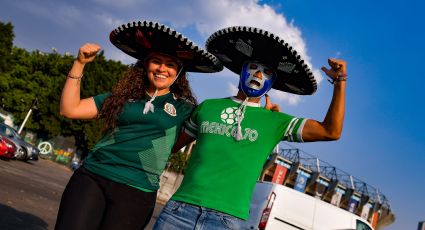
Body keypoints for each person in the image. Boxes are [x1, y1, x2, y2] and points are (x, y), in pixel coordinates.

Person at [153, 26, 347, 229]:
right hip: (179, 211)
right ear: (242, 70)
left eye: (267, 73)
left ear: (272, 83)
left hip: (227, 221)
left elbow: (330, 131)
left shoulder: (276, 121)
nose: (259, 75)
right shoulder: (208, 107)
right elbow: (169, 146)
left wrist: (339, 82)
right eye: (253, 67)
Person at [55, 20, 222, 230]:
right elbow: (70, 109)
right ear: (146, 64)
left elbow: (213, 127)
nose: (162, 68)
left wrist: (258, 108)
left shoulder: (185, 109)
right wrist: (79, 63)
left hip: (138, 191)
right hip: (93, 176)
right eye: (156, 61)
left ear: (179, 72)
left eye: (170, 64)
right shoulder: (122, 97)